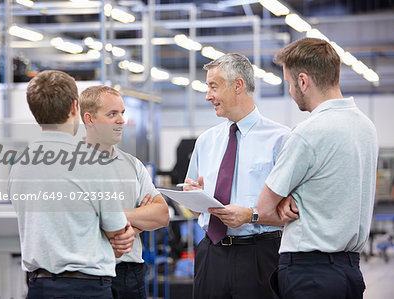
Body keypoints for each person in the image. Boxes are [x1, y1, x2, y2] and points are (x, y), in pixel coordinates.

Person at [257, 37, 378, 299]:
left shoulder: (308, 133)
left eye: (289, 83)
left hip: (309, 273)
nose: (290, 91)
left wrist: (279, 204)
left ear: (303, 81)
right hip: (349, 271)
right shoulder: (366, 127)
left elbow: (264, 209)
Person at [8, 70, 134, 298]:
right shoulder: (92, 162)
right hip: (86, 288)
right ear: (75, 107)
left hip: (38, 286)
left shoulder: (19, 165)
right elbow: (117, 230)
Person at [184, 53, 290, 299]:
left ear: (238, 85)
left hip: (259, 256)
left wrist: (250, 215)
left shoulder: (281, 139)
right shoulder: (206, 141)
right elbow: (196, 206)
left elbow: (293, 211)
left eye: (213, 86)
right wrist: (193, 197)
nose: (208, 95)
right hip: (211, 255)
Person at [79, 85, 170, 299]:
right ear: (89, 119)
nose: (121, 120)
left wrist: (115, 218)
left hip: (130, 274)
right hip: (88, 274)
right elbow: (79, 220)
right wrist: (139, 217)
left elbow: (162, 214)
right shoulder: (71, 165)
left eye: (122, 113)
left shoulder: (133, 165)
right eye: (112, 114)